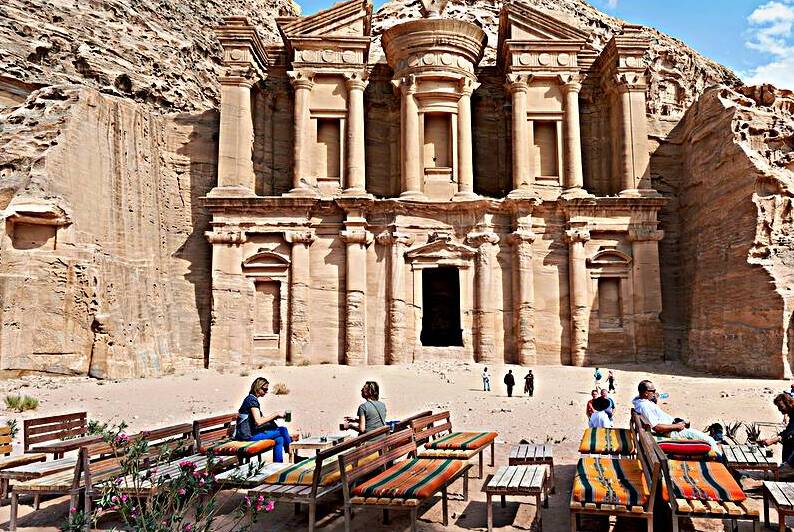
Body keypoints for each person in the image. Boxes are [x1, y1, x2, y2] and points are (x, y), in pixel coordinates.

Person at [632, 379, 719, 453]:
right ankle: (721, 463)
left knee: (688, 424)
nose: (655, 393)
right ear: (646, 393)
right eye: (653, 391)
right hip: (672, 431)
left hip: (672, 425)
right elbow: (656, 427)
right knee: (710, 441)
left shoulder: (640, 400)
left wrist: (654, 398)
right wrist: (677, 426)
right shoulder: (644, 406)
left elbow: (651, 409)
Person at [235, 377, 290, 462]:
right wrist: (276, 413)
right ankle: (291, 453)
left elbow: (258, 420)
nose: (266, 392)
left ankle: (277, 465)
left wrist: (275, 417)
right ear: (257, 387)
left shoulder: (251, 399)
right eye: (264, 389)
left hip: (247, 434)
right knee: (283, 430)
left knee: (279, 439)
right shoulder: (251, 400)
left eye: (267, 390)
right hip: (247, 437)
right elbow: (259, 421)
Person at [759, 393, 794, 479]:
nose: (779, 410)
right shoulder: (792, 415)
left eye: (781, 407)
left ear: (788, 403)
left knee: (777, 474)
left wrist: (775, 439)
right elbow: (788, 431)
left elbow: (791, 433)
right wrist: (773, 439)